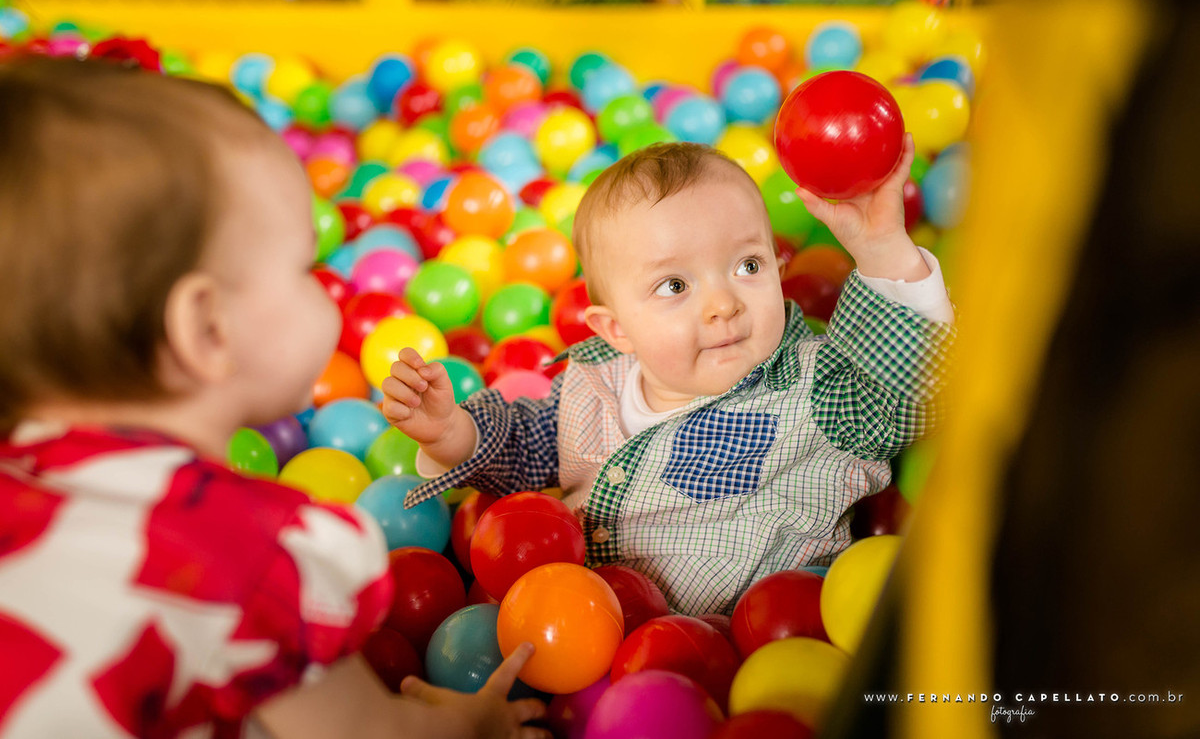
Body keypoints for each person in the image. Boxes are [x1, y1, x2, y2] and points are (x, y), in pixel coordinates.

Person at [0, 56, 546, 739]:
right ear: (206, 329)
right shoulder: (247, 549)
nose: (323, 286)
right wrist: (474, 723)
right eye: (303, 267)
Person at [384, 139, 956, 615]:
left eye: (747, 266)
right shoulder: (592, 387)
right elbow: (519, 448)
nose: (723, 305)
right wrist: (447, 431)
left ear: (779, 270)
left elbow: (907, 393)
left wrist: (883, 250)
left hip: (743, 645)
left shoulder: (817, 389)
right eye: (675, 286)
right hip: (580, 628)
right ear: (617, 330)